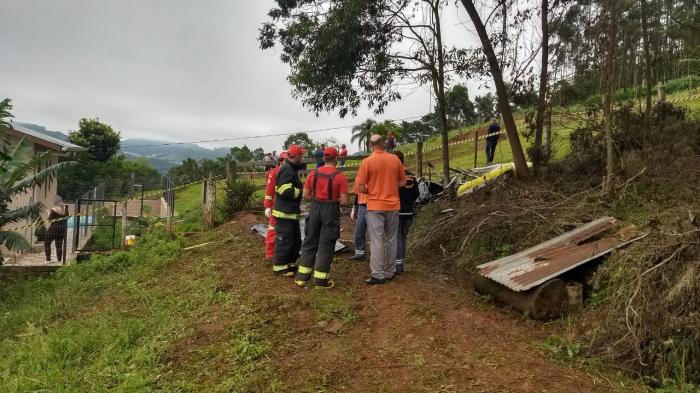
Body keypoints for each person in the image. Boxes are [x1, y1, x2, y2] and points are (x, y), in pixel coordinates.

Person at [295, 147, 349, 289]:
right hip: (330, 210)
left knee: (309, 241)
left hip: (315, 208)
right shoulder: (340, 176)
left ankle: (302, 277)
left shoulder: (313, 174)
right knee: (326, 243)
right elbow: (344, 201)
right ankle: (320, 281)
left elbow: (306, 195)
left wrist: (317, 198)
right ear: (336, 158)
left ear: (323, 158)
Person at [355, 134, 406, 285]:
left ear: (370, 145)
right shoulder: (395, 159)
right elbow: (403, 181)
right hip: (393, 205)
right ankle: (390, 271)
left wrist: (372, 189)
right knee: (391, 238)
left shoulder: (367, 162)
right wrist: (390, 186)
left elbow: (362, 187)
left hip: (375, 205)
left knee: (377, 240)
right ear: (383, 143)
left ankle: (378, 274)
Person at [272, 144, 306, 276]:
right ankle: (279, 267)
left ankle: (290, 264)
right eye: (301, 155)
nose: (302, 158)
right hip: (284, 213)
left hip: (290, 213)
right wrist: (300, 192)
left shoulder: (291, 168)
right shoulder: (287, 169)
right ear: (296, 155)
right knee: (284, 240)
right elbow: (283, 189)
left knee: (295, 240)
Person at [393, 151, 419, 274]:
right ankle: (401, 263)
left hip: (397, 211)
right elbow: (417, 194)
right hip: (408, 212)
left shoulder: (394, 176)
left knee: (397, 237)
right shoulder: (412, 176)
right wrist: (409, 202)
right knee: (403, 237)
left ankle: (397, 265)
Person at [263, 151, 288, 262]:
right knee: (273, 230)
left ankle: (284, 254)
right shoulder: (274, 173)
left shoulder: (292, 172)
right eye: (285, 160)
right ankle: (270, 255)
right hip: (276, 207)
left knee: (287, 232)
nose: (287, 162)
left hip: (288, 208)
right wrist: (268, 206)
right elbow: (269, 192)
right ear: (280, 161)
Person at [348, 180, 368, 261]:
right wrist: (354, 208)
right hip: (362, 206)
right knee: (359, 229)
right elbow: (357, 194)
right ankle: (359, 253)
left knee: (373, 232)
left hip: (375, 205)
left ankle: (376, 255)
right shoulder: (360, 177)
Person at [44, 195, 68, 263]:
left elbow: (49, 220)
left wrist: (48, 213)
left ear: (55, 201)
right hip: (62, 229)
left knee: (47, 243)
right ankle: (59, 260)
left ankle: (48, 260)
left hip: (54, 228)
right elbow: (67, 218)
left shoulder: (54, 209)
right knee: (59, 245)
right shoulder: (65, 208)